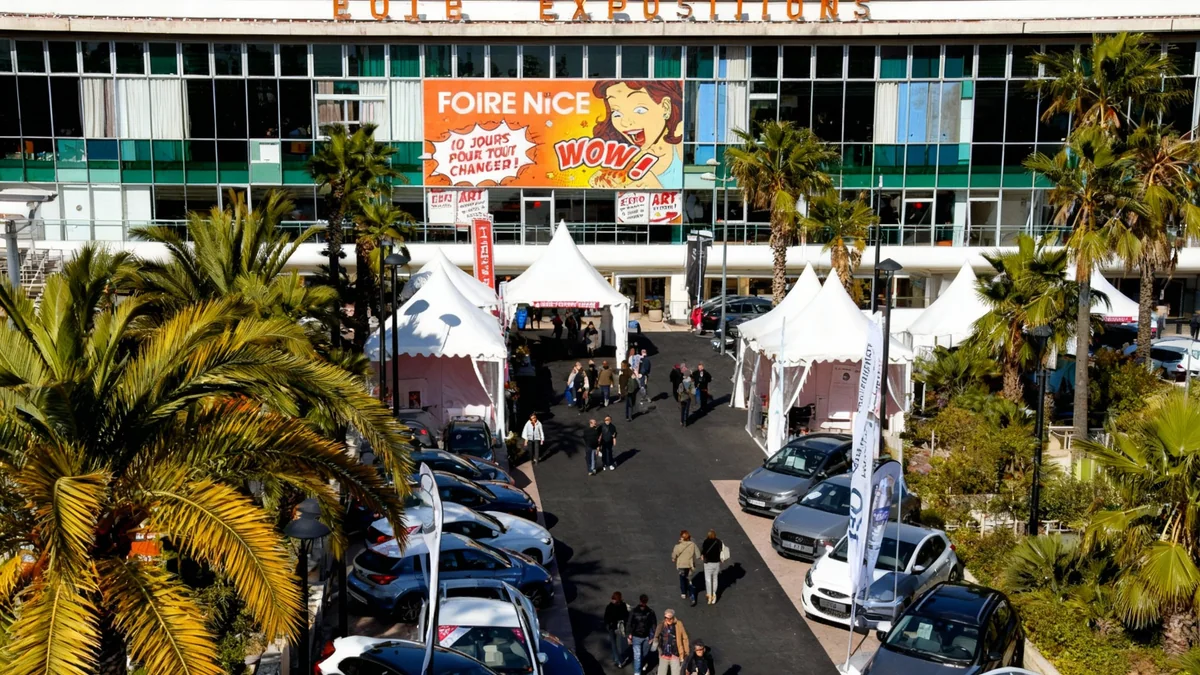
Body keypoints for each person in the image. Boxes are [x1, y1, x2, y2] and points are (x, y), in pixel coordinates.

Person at [589, 80, 684, 190]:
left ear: (665, 107)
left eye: (639, 110)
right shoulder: (629, 162)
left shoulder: (681, 146)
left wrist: (655, 185)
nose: (625, 122)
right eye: (616, 113)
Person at [652, 609, 689, 675]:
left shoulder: (678, 624)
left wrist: (686, 652)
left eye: (670, 618)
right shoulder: (661, 625)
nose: (668, 620)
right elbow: (656, 636)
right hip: (664, 655)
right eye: (666, 618)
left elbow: (685, 638)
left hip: (675, 654)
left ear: (673, 617)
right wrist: (657, 647)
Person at [627, 595, 656, 675]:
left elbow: (653, 624)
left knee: (643, 654)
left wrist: (652, 636)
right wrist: (629, 634)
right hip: (638, 636)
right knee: (638, 656)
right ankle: (637, 672)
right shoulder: (647, 612)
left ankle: (640, 666)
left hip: (644, 637)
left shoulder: (649, 612)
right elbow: (629, 623)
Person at [671, 530, 699, 607]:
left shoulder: (678, 546)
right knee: (689, 580)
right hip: (689, 565)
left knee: (682, 578)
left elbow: (674, 555)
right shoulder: (692, 544)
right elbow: (698, 554)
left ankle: (683, 592)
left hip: (681, 565)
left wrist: (673, 558)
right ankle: (692, 596)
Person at [605, 592, 630, 668]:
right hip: (620, 627)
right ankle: (616, 657)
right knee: (621, 642)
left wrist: (608, 625)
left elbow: (606, 618)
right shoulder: (623, 605)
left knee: (613, 644)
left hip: (612, 627)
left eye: (613, 598)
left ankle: (618, 660)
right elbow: (626, 615)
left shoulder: (610, 607)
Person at [700, 530, 724, 604]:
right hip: (716, 563)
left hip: (708, 563)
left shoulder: (706, 542)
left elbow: (703, 551)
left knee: (708, 580)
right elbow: (722, 550)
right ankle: (714, 594)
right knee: (715, 579)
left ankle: (710, 595)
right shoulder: (719, 541)